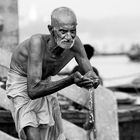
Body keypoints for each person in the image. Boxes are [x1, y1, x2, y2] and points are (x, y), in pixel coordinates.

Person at [6, 7, 100, 140]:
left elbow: (91, 74)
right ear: (51, 30)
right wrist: (70, 79)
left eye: (72, 31)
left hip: (44, 83)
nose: (68, 37)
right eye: (63, 31)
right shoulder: (37, 43)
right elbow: (32, 91)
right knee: (31, 128)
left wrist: (93, 80)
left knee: (51, 134)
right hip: (22, 85)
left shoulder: (75, 43)